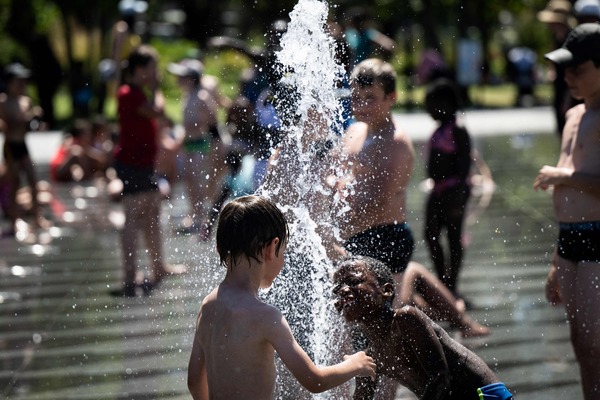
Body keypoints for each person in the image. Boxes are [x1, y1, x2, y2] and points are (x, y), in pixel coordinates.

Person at [338, 59, 489, 337]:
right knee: (377, 317)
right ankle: (445, 313)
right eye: (357, 98)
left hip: (385, 239)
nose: (361, 105)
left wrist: (337, 232)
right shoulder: (354, 132)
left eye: (371, 98)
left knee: (389, 328)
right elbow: (335, 177)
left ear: (391, 97)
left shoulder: (395, 143)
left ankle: (438, 316)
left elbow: (378, 204)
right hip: (355, 236)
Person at [187, 195, 376, 400]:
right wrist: (354, 364)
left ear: (219, 247)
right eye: (283, 251)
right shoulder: (266, 317)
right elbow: (315, 380)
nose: (284, 259)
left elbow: (195, 381)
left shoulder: (208, 306)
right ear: (271, 248)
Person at [332, 255, 513, 400]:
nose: (343, 290)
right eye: (337, 288)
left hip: (483, 394)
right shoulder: (369, 357)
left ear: (386, 291)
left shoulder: (405, 318)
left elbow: (441, 378)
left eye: (353, 281)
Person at [534, 23, 600, 399]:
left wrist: (563, 176)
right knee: (581, 345)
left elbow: (577, 180)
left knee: (595, 343)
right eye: (566, 70)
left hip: (597, 237)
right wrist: (556, 259)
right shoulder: (574, 116)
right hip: (570, 239)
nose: (569, 77)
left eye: (578, 69)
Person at [111, 45, 184, 297]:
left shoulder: (135, 93)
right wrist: (156, 89)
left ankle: (158, 267)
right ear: (140, 70)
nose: (156, 72)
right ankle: (130, 275)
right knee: (133, 215)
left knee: (152, 211)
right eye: (153, 67)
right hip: (132, 164)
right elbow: (159, 112)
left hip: (143, 163)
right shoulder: (129, 93)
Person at [167, 58, 230, 238]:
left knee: (197, 181)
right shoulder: (189, 94)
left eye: (182, 76)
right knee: (189, 181)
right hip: (189, 144)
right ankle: (194, 213)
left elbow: (213, 119)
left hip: (200, 143)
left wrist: (202, 131)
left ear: (192, 78)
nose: (178, 79)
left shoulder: (201, 96)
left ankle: (202, 218)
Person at [423, 78, 472, 298]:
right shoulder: (439, 128)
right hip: (438, 189)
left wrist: (459, 194)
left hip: (453, 190)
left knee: (453, 236)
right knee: (430, 233)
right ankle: (442, 278)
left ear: (448, 103)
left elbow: (464, 164)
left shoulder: (457, 129)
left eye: (433, 104)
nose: (429, 110)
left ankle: (452, 283)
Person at [0, 63, 48, 236]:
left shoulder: (25, 101)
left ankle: (37, 217)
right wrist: (26, 118)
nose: (22, 85)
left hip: (23, 145)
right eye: (18, 82)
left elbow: (27, 126)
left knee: (33, 180)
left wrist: (35, 124)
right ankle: (13, 222)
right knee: (14, 183)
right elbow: (9, 124)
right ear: (9, 83)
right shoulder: (4, 101)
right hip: (11, 147)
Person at [537, 0, 578, 136]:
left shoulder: (571, 40)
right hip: (559, 87)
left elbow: (572, 70)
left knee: (569, 126)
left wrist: (568, 98)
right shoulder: (557, 38)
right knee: (560, 127)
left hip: (569, 90)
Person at [50, 119, 110, 183]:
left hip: (66, 171)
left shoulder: (85, 144)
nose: (89, 136)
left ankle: (89, 177)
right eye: (87, 134)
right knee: (77, 153)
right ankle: (87, 179)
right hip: (58, 171)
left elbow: (100, 158)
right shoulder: (71, 142)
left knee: (86, 156)